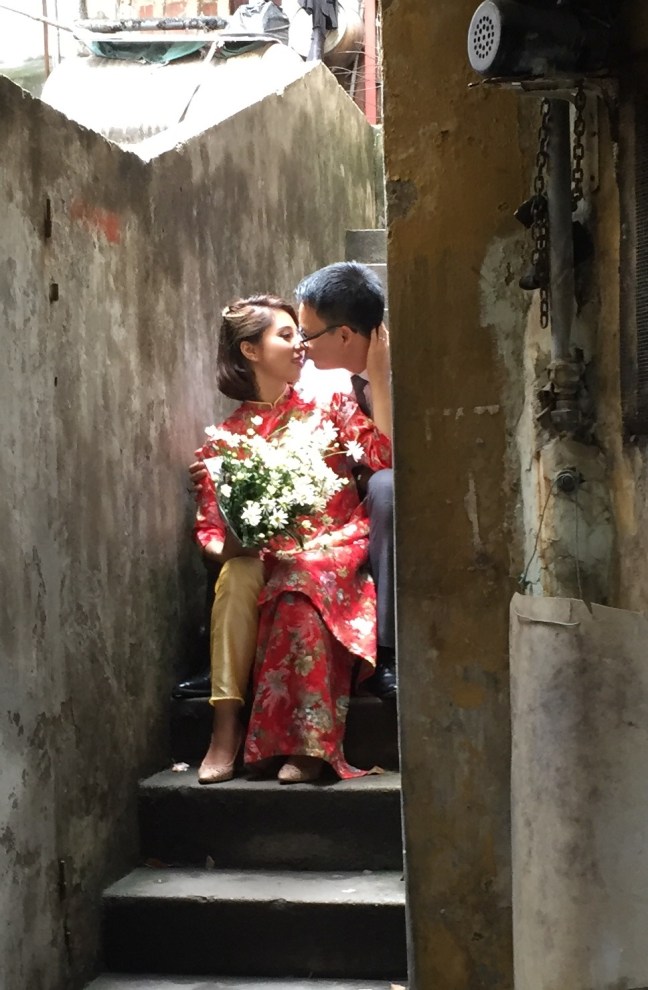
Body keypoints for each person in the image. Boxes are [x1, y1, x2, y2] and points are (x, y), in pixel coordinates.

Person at [176, 262, 397, 701]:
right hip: (275, 540)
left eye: (304, 334)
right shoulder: (301, 385)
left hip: (340, 530)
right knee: (240, 561)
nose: (301, 346)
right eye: (289, 335)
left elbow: (382, 455)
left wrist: (383, 376)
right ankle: (224, 677)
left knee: (378, 495)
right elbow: (212, 534)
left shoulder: (330, 394)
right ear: (251, 350)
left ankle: (383, 656)